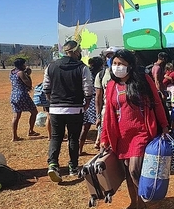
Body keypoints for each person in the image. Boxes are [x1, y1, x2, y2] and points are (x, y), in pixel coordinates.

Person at [100, 49, 169, 209]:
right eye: (115, 64)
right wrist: (104, 138)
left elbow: (157, 103)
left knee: (135, 170)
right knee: (127, 172)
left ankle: (145, 204)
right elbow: (108, 113)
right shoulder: (111, 86)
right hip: (121, 135)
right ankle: (134, 202)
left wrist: (164, 125)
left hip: (141, 132)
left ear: (130, 66)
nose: (117, 67)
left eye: (121, 64)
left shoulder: (143, 80)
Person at [43, 38, 93, 182]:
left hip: (56, 109)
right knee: (73, 138)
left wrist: (52, 101)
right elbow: (87, 88)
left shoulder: (51, 66)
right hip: (75, 109)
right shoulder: (82, 67)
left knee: (56, 137)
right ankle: (73, 166)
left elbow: (46, 87)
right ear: (76, 51)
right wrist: (87, 102)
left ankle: (53, 164)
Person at [94, 47, 118, 149]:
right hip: (106, 112)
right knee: (105, 142)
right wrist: (98, 116)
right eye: (108, 56)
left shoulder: (125, 73)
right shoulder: (101, 75)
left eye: (112, 55)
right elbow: (98, 98)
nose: (110, 58)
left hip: (121, 111)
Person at [10, 58, 39, 141]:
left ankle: (14, 136)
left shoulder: (12, 72)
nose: (25, 66)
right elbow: (29, 84)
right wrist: (28, 75)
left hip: (14, 95)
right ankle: (31, 130)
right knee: (34, 112)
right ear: (21, 65)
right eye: (24, 64)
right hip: (22, 95)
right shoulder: (21, 73)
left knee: (16, 116)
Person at [79, 56, 103, 155]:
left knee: (85, 128)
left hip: (87, 101)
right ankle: (101, 149)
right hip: (98, 101)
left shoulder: (86, 73)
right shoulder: (101, 74)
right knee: (101, 126)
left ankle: (79, 150)